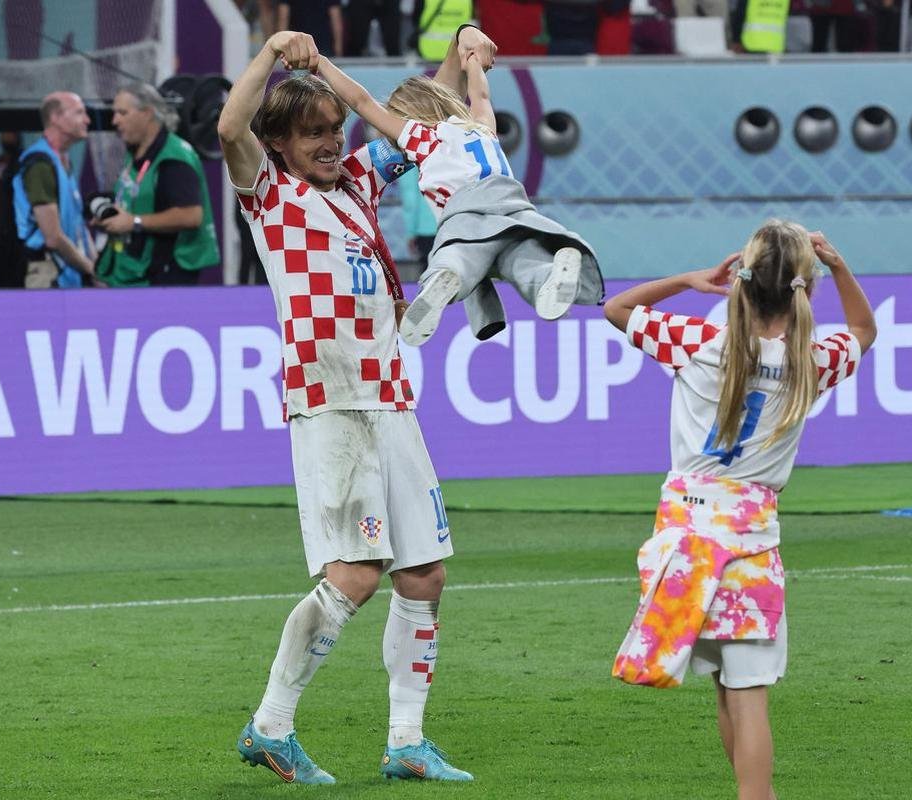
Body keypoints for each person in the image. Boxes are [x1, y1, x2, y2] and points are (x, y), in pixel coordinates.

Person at [218, 26, 496, 785]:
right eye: (312, 134)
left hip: (391, 399)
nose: (331, 144)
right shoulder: (270, 196)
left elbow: (422, 121)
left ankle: (406, 740)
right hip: (331, 403)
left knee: (425, 574)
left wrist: (462, 51)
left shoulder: (361, 185)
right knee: (356, 575)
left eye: (333, 129)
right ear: (280, 145)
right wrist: (275, 53)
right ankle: (270, 724)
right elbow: (227, 127)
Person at [604, 221, 877, 800]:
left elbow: (617, 307)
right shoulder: (811, 361)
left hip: (683, 535)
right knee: (748, 692)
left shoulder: (695, 342)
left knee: (726, 688)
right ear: (802, 288)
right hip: (750, 537)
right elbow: (862, 328)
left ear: (741, 283)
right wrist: (841, 266)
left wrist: (687, 279)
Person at [314, 46, 604, 345]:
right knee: (519, 260)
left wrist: (321, 64)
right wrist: (474, 64)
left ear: (409, 116)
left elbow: (361, 102)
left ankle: (439, 280)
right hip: (513, 209)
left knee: (456, 259)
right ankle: (547, 277)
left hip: (467, 214)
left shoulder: (421, 137)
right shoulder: (483, 128)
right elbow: (481, 96)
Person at [94, 83, 219, 287]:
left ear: (148, 113)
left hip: (165, 276)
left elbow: (191, 216)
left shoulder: (175, 158)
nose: (115, 120)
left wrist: (133, 222)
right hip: (135, 271)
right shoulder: (136, 151)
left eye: (122, 113)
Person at [12, 91, 98, 288]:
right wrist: (91, 269)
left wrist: (96, 266)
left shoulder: (62, 160)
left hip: (69, 274)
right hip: (46, 276)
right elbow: (52, 237)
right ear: (56, 118)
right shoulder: (40, 164)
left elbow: (77, 225)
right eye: (79, 113)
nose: (87, 120)